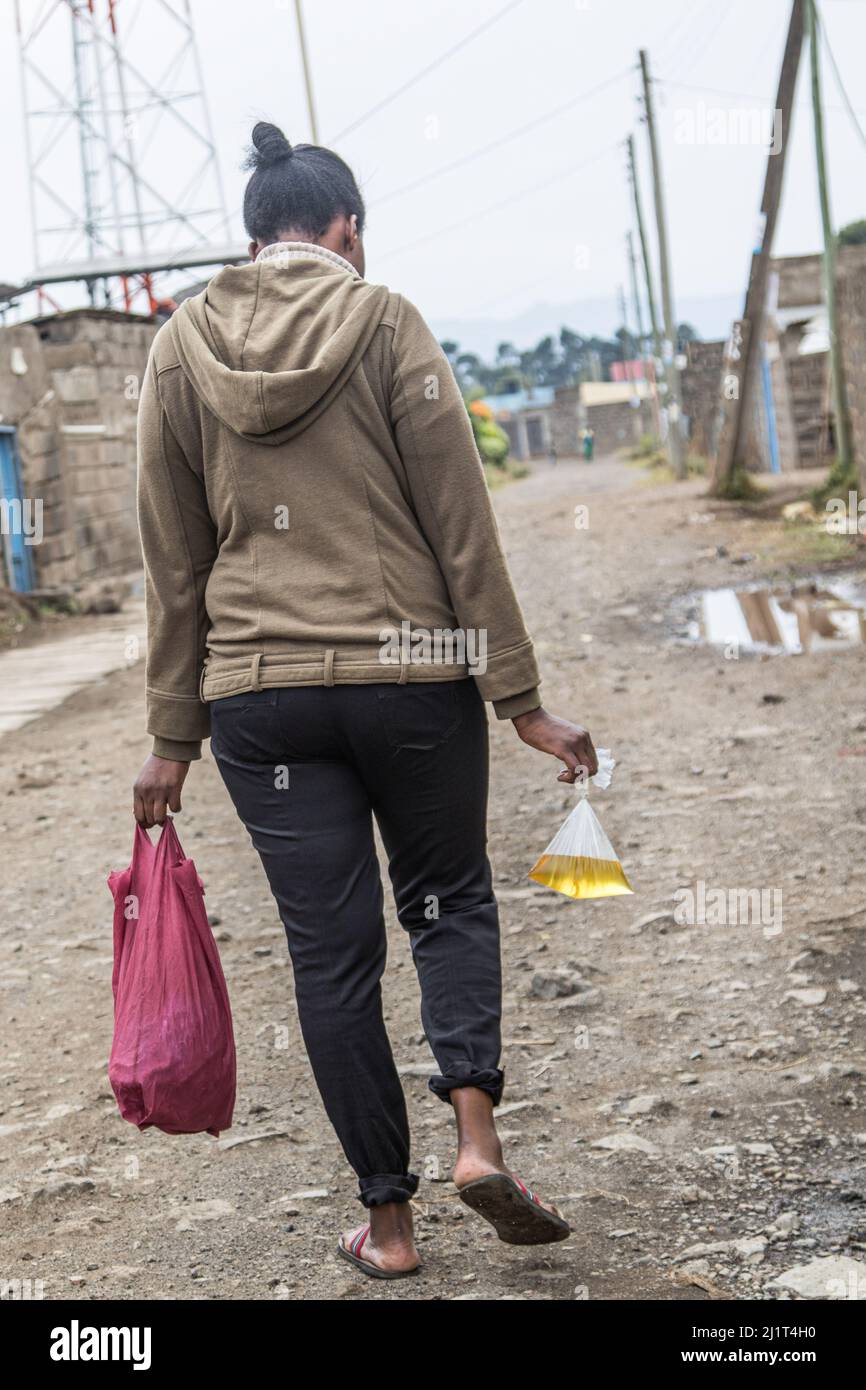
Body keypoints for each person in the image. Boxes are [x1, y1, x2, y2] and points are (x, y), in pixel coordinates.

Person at [133, 121, 598, 1279]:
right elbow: (460, 521)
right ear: (345, 230)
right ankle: (477, 1143)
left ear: (250, 240)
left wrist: (168, 738)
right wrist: (519, 697)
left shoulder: (179, 346)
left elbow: (171, 560)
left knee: (328, 958)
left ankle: (386, 1226)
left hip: (259, 703)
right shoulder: (385, 318)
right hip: (409, 677)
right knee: (444, 902)